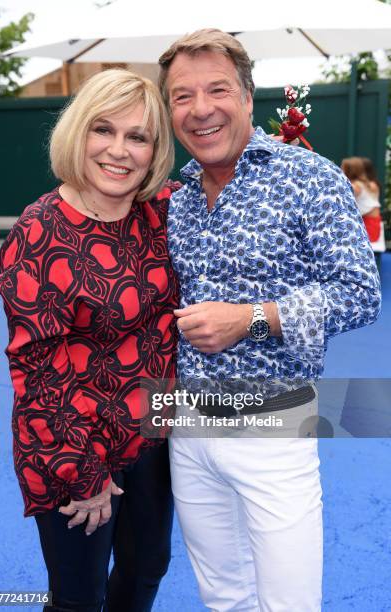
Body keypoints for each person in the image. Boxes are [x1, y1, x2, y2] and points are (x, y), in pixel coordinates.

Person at [158, 29, 381, 611]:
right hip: (187, 428)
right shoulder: (174, 196)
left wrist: (252, 319)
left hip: (274, 430)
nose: (200, 109)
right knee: (224, 597)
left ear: (249, 97)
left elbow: (361, 293)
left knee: (290, 603)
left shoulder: (309, 177)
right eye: (182, 96)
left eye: (217, 90)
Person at [0, 69, 178, 612]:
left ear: (154, 150)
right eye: (104, 130)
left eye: (138, 136)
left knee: (147, 570)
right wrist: (82, 470)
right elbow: (37, 369)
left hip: (149, 433)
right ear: (79, 133)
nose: (119, 150)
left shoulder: (156, 215)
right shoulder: (39, 231)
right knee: (78, 597)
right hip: (70, 443)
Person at [341, 156, 383, 244]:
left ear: (349, 171)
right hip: (374, 223)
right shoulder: (372, 184)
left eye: (342, 168)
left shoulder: (356, 186)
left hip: (366, 225)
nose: (340, 170)